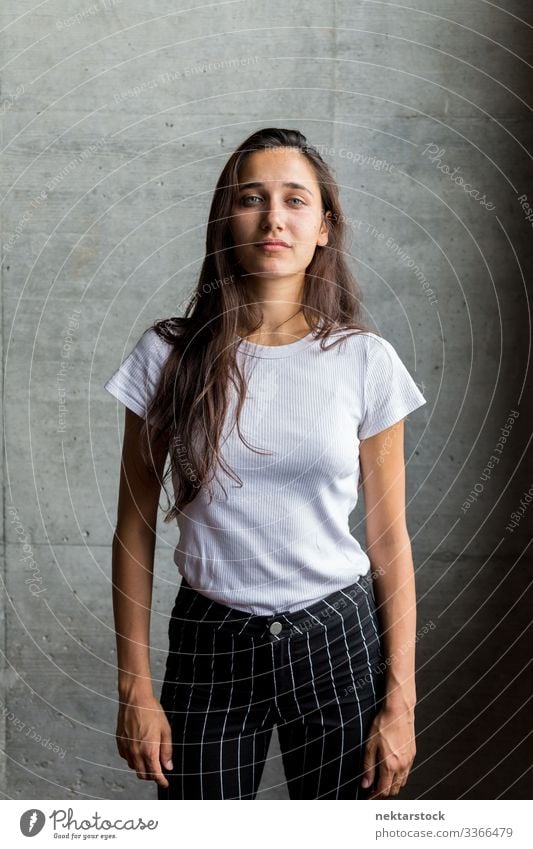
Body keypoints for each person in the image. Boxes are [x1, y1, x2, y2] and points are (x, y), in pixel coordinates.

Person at [104, 127, 427, 800]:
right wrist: (134, 685)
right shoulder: (167, 355)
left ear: (323, 226)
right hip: (209, 640)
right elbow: (133, 528)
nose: (273, 217)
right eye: (251, 198)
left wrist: (401, 702)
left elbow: (389, 540)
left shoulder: (365, 360)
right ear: (227, 218)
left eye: (294, 199)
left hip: (337, 640)